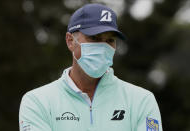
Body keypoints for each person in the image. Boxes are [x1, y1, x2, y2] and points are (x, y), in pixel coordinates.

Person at [19, 3, 163, 131]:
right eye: (94, 38)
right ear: (70, 41)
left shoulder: (142, 100)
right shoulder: (37, 101)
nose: (103, 46)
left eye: (110, 40)